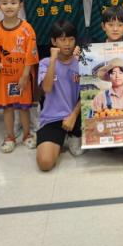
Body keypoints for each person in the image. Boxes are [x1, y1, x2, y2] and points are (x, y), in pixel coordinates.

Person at [0, 0, 39, 153]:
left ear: (20, 5)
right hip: (3, 77)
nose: (9, 6)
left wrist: (25, 75)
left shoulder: (27, 29)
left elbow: (31, 54)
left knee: (24, 107)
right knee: (7, 108)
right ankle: (9, 137)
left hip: (22, 77)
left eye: (13, 2)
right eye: (5, 3)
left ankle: (27, 135)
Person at [37, 20, 83, 171]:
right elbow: (47, 88)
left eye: (71, 39)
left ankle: (73, 135)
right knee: (45, 163)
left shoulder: (82, 61)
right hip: (53, 117)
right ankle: (62, 137)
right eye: (62, 39)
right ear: (54, 41)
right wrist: (53, 60)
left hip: (77, 115)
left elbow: (89, 93)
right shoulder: (45, 63)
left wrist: (73, 116)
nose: (67, 44)